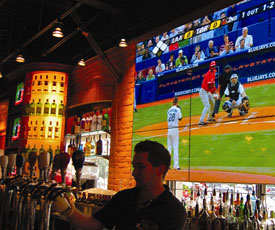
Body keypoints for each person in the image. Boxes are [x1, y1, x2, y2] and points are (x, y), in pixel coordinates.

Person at [53, 140, 187, 229]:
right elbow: (91, 224)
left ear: (160, 169)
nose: (134, 173)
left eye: (141, 167)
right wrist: (67, 210)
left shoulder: (174, 210)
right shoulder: (124, 197)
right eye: (134, 167)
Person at [199, 61, 217, 125]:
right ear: (210, 67)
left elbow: (213, 84)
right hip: (203, 91)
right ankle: (201, 121)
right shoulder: (208, 74)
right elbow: (209, 86)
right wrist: (213, 94)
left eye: (214, 66)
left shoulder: (213, 73)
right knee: (207, 106)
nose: (213, 67)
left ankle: (209, 117)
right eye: (212, 66)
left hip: (207, 91)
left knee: (213, 103)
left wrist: (215, 92)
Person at [167, 97, 182, 170]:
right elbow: (180, 118)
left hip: (169, 130)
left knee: (169, 148)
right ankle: (176, 165)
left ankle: (168, 165)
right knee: (175, 147)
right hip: (175, 130)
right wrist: (179, 110)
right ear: (177, 102)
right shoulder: (178, 109)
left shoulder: (169, 110)